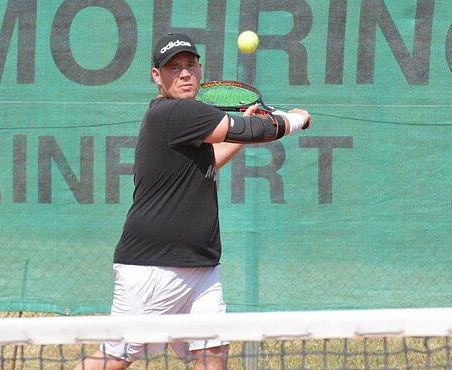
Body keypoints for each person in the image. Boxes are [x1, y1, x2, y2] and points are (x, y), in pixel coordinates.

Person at [77, 32, 311, 370]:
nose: (184, 74)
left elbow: (209, 159)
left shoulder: (186, 119)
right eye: (174, 68)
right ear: (157, 76)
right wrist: (294, 119)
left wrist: (252, 127)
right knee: (114, 359)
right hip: (152, 266)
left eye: (190, 65)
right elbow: (247, 130)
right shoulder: (175, 113)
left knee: (213, 355)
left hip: (201, 268)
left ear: (200, 70)